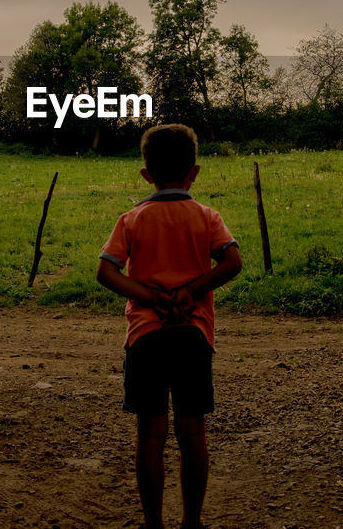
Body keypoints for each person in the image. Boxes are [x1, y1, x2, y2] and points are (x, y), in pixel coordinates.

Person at [97, 123, 243, 529]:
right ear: (194, 172)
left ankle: (153, 524)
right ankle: (192, 523)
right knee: (193, 432)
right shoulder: (207, 217)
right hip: (193, 333)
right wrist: (189, 292)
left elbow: (106, 272)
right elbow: (232, 262)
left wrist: (149, 297)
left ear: (146, 175)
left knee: (151, 435)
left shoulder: (132, 219)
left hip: (146, 335)